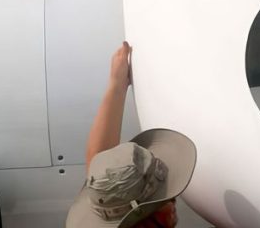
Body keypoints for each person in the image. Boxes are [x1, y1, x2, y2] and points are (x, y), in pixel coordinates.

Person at [66, 42, 197, 228]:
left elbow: (103, 173)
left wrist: (116, 86)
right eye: (165, 198)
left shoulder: (109, 199)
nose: (173, 200)